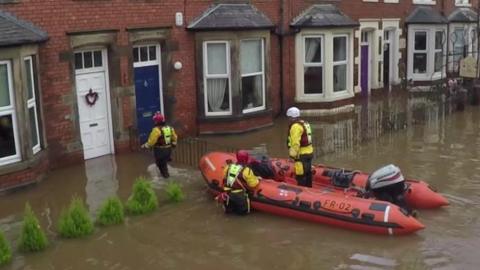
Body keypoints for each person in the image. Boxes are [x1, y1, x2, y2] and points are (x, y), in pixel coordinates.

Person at [219, 150, 261, 215]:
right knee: (242, 215)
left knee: (229, 214)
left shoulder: (228, 167)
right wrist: (258, 179)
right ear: (245, 159)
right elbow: (253, 185)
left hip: (228, 195)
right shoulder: (247, 170)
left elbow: (225, 179)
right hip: (240, 198)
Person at [142, 112, 178, 178]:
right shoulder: (170, 128)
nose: (154, 122)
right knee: (163, 165)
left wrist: (145, 146)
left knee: (161, 166)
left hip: (160, 151)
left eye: (155, 120)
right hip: (168, 150)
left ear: (156, 121)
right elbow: (175, 137)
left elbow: (152, 141)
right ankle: (165, 177)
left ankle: (166, 180)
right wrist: (174, 144)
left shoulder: (156, 130)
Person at [286, 107, 314, 187]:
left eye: (288, 117)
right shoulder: (305, 123)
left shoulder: (295, 127)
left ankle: (303, 193)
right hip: (309, 153)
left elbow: (295, 143)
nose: (288, 120)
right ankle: (309, 189)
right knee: (308, 173)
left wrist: (292, 155)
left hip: (301, 155)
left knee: (301, 175)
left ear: (291, 117)